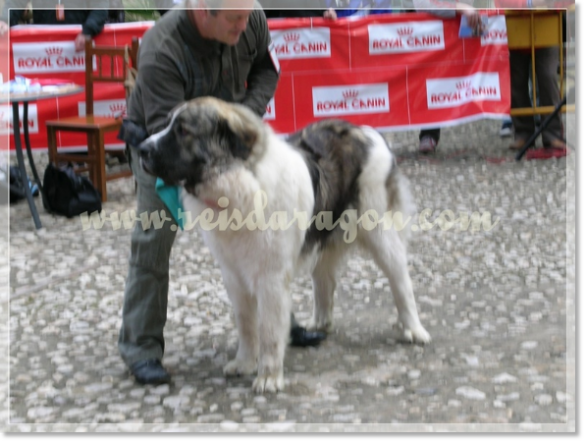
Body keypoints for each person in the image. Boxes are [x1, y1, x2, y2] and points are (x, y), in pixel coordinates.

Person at [118, 0, 323, 386]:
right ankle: (141, 347)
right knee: (154, 237)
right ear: (202, 10)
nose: (244, 25)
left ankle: (279, 325)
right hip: (164, 145)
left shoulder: (250, 15)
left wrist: (240, 120)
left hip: (230, 145)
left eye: (248, 16)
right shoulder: (161, 49)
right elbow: (173, 137)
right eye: (234, 19)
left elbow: (268, 69)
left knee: (270, 242)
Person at [409, 1, 484, 154]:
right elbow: (423, 4)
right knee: (429, 79)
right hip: (428, 32)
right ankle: (429, 132)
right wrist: (461, 8)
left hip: (464, 27)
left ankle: (519, 126)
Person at [494, 0, 567, 155]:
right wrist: (529, 3)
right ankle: (523, 132)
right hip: (514, 26)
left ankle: (552, 133)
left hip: (547, 25)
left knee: (548, 78)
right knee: (516, 81)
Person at [0, 0, 108, 52]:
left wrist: (88, 31)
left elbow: (100, 6)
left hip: (80, 45)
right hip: (43, 48)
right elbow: (15, 2)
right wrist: (5, 20)